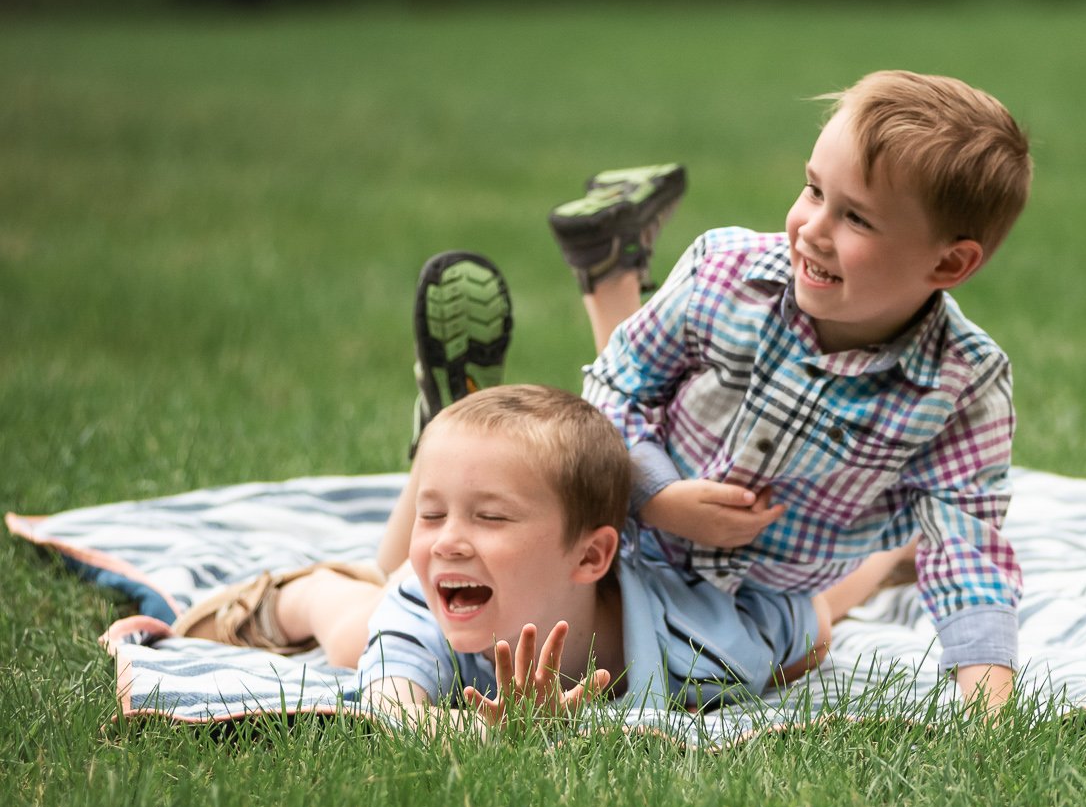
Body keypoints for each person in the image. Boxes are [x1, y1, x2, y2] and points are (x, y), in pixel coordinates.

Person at [112, 70, 1031, 714]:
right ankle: (315, 584)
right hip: (615, 515)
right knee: (408, 623)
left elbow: (972, 546)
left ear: (950, 262)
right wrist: (662, 498)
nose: (810, 228)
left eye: (855, 217)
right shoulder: (728, 273)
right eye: (811, 190)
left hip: (754, 592)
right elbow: (617, 388)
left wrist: (985, 709)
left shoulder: (964, 384)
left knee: (811, 629)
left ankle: (472, 429)